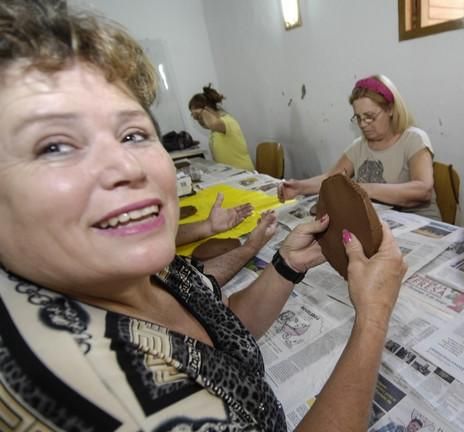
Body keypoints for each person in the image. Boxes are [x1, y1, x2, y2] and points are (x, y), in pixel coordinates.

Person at [0, 2, 407, 431]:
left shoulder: (151, 268)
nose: (127, 167)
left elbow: (222, 330)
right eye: (54, 146)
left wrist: (287, 265)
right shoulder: (87, 392)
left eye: (134, 134)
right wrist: (373, 318)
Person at [277, 74, 440, 220]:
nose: (363, 124)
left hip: (418, 224)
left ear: (390, 109)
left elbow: (423, 190)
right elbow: (332, 179)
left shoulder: (414, 139)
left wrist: (365, 189)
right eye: (358, 117)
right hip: (382, 222)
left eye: (370, 117)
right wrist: (299, 187)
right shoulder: (360, 146)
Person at [188, 84, 255, 171]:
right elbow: (208, 125)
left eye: (199, 117)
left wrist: (202, 111)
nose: (199, 120)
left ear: (207, 109)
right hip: (230, 172)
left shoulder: (227, 121)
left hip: (243, 172)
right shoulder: (215, 130)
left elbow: (212, 124)